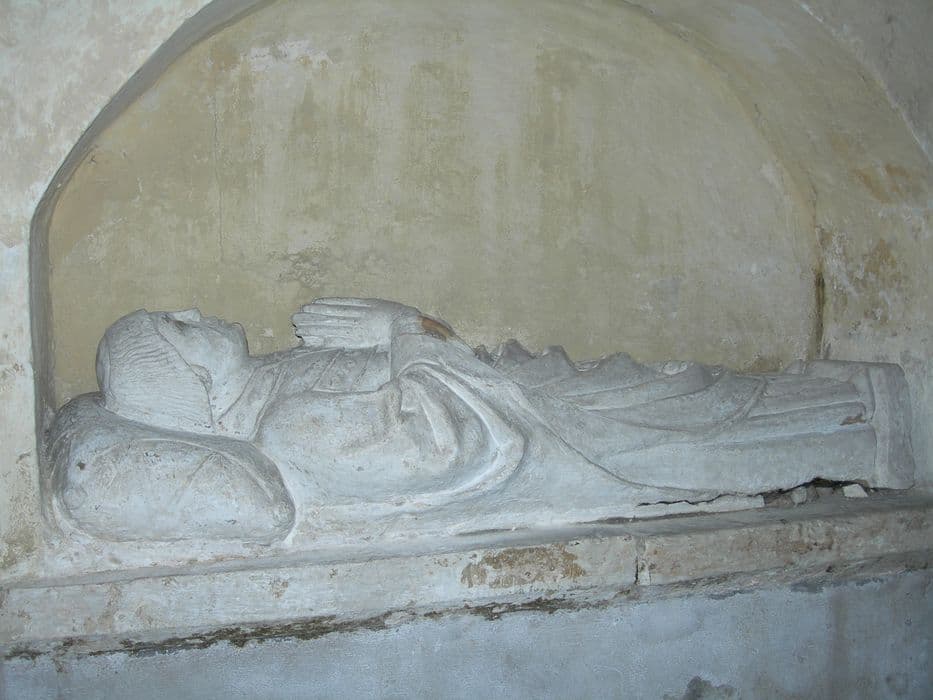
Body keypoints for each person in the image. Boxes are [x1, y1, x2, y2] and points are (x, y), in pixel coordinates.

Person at [49, 298, 914, 543]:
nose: (198, 313)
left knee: (683, 389)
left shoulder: (271, 380)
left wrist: (414, 335)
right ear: (188, 381)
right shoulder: (285, 433)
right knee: (698, 415)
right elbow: (450, 443)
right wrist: (407, 329)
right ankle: (860, 423)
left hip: (525, 391)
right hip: (551, 435)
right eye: (179, 327)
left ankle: (841, 410)